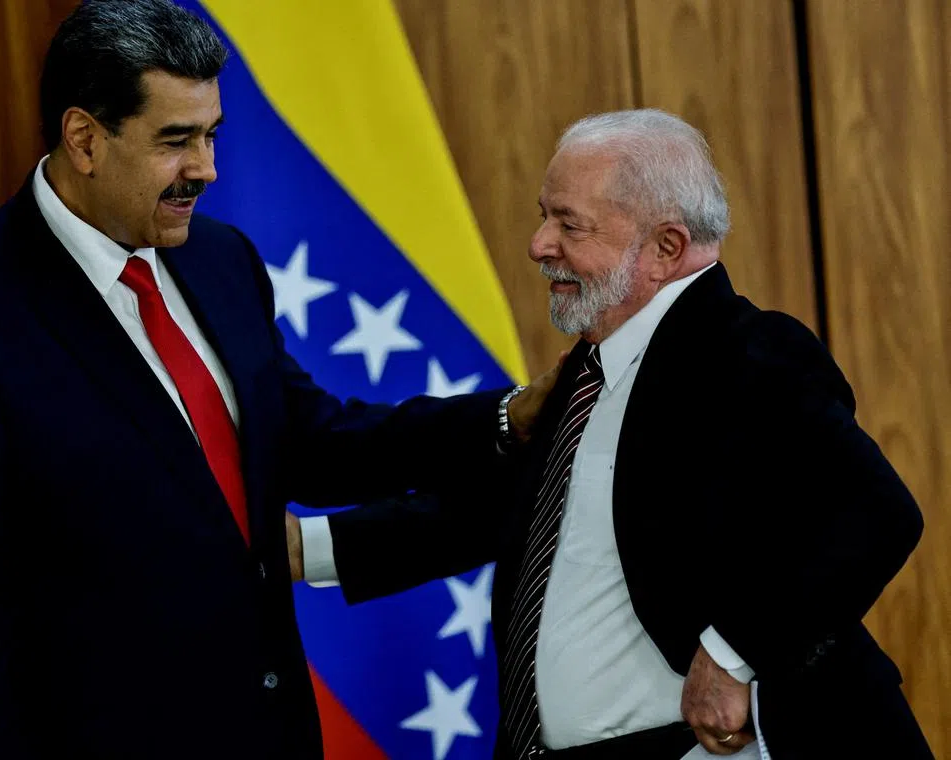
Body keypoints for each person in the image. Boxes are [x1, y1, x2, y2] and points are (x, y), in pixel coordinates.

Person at [0, 2, 555, 757]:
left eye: (212, 135)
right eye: (176, 141)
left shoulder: (219, 258)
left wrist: (504, 418)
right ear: (85, 139)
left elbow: (312, 443)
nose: (206, 169)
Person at [291, 109, 932, 760]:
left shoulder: (750, 352)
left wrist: (732, 654)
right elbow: (497, 514)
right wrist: (306, 548)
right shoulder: (589, 371)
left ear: (666, 248)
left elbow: (879, 513)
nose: (539, 244)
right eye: (544, 216)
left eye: (569, 225)